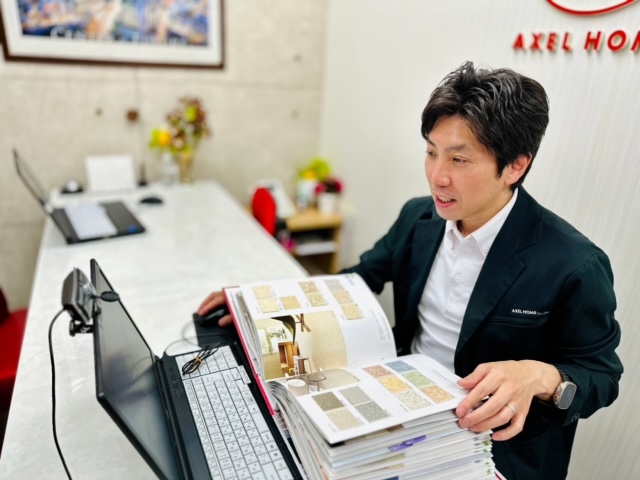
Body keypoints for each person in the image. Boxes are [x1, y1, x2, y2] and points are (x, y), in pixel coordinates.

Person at [198, 61, 623, 479]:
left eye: (459, 160)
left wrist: (541, 375)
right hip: (402, 409)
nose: (437, 177)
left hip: (494, 449)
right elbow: (358, 279)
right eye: (431, 153)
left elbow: (601, 375)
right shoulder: (419, 218)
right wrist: (258, 303)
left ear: (515, 166)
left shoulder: (573, 263)